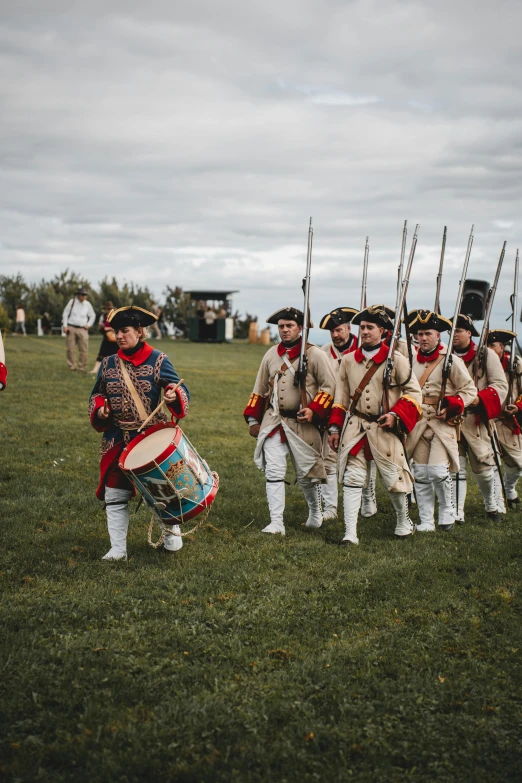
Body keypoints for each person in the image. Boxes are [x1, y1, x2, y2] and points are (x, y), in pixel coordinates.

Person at [89, 306, 190, 560]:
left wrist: (172, 395)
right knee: (114, 493)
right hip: (117, 438)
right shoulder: (109, 363)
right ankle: (118, 549)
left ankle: (171, 535)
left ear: (140, 332)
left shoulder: (158, 359)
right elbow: (97, 394)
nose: (119, 336)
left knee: (160, 492)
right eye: (116, 332)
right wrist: (101, 409)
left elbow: (180, 390)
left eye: (125, 331)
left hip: (151, 438)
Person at [328, 305, 422, 545]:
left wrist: (396, 415)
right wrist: (335, 428)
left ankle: (403, 521)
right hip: (356, 427)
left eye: (370, 327)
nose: (365, 331)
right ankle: (350, 533)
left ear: (382, 331)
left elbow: (413, 393)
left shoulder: (397, 360)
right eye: (363, 327)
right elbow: (341, 397)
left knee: (394, 479)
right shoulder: (348, 360)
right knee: (352, 477)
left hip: (385, 427)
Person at [243, 307, 336, 535]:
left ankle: (315, 511)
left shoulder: (315, 355)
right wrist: (253, 420)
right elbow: (260, 388)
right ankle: (277, 523)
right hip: (275, 421)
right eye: (281, 326)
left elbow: (330, 386)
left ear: (300, 328)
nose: (284, 330)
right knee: (274, 472)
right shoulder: (270, 355)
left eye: (289, 326)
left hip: (303, 424)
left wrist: (314, 411)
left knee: (306, 474)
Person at [406, 311, 477, 532]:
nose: (423, 338)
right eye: (419, 334)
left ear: (438, 336)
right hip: (418, 422)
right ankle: (426, 520)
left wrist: (454, 404)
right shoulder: (411, 362)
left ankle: (447, 511)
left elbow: (470, 391)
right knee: (421, 473)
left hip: (442, 422)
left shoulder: (451, 361)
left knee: (437, 471)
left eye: (428, 333)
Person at [450, 314, 508, 522]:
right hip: (452, 420)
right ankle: (457, 512)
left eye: (458, 330)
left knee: (484, 467)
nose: (454, 334)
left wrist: (478, 400)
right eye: (451, 331)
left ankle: (491, 505)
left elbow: (500, 386)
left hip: (476, 419)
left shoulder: (485, 355)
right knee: (455, 467)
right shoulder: (446, 354)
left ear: (468, 333)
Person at [319, 307, 361, 521]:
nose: (335, 335)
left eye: (338, 330)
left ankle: (366, 500)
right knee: (328, 460)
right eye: (332, 332)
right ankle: (331, 508)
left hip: (358, 414)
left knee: (360, 460)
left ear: (348, 328)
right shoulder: (323, 352)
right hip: (331, 413)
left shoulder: (362, 349)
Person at [487, 329, 522, 508]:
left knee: (517, 463)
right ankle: (495, 503)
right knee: (491, 465)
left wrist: (518, 407)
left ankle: (509, 490)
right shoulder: (482, 364)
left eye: (493, 346)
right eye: (487, 346)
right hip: (487, 420)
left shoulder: (514, 364)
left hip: (508, 421)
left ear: (502, 347)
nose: (489, 349)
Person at [62, 287, 96, 371]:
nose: (84, 296)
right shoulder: (72, 302)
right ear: (78, 295)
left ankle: (82, 367)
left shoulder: (87, 304)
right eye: (82, 295)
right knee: (70, 348)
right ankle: (72, 366)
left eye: (85, 295)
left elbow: (93, 315)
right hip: (71, 327)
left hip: (82, 329)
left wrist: (88, 325)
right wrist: (65, 326)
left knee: (84, 349)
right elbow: (65, 313)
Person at [90, 301, 118, 375]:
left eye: (110, 309)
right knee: (102, 354)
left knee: (118, 355)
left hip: (116, 339)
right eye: (107, 309)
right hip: (106, 338)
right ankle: (95, 369)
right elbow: (101, 328)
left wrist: (108, 328)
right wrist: (103, 328)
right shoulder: (102, 317)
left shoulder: (116, 316)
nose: (108, 311)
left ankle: (118, 370)